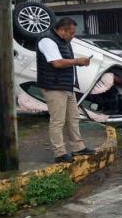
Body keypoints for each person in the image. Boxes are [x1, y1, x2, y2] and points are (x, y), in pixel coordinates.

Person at [36, 17, 96, 162]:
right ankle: (59, 153)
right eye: (72, 33)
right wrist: (78, 61)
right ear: (62, 30)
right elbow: (56, 63)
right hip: (53, 86)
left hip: (66, 86)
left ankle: (78, 147)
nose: (73, 36)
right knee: (58, 121)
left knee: (73, 117)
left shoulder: (64, 41)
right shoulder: (47, 40)